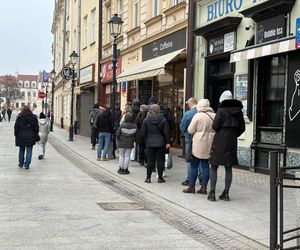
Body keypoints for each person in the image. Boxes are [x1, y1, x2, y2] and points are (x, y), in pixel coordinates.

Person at [208, 90, 245, 202]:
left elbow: (215, 126)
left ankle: (212, 193)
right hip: (232, 140)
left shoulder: (221, 110)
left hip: (220, 140)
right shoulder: (239, 111)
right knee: (228, 167)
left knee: (214, 165)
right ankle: (226, 193)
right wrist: (234, 134)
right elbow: (242, 128)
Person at [183, 99, 215, 194]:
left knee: (194, 166)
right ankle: (204, 187)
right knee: (205, 166)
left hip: (198, 144)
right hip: (210, 143)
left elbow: (190, 130)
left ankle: (191, 186)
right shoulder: (214, 115)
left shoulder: (198, 115)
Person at [141, 104, 170, 183]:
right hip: (161, 143)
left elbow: (143, 132)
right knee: (160, 161)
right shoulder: (163, 120)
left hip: (150, 142)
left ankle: (148, 178)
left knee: (150, 161)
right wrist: (167, 142)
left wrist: (147, 138)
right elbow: (166, 132)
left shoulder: (146, 120)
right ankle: (160, 178)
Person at [180, 97, 198, 186]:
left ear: (190, 104)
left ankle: (189, 179)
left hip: (189, 138)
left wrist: (184, 132)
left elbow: (182, 126)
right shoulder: (202, 113)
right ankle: (202, 180)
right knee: (201, 160)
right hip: (200, 140)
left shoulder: (188, 113)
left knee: (190, 158)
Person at [14, 105, 39, 169]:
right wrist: (35, 134)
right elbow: (36, 128)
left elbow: (16, 127)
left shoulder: (19, 117)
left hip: (21, 136)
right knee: (29, 150)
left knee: (21, 150)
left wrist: (16, 135)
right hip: (30, 136)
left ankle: (21, 163)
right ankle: (27, 164)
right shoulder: (33, 117)